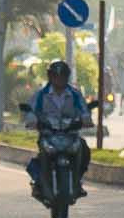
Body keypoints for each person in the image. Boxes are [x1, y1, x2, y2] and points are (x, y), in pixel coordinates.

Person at [23, 58, 95, 198]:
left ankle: (77, 182)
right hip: (49, 134)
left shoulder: (75, 94)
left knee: (84, 149)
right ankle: (39, 183)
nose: (59, 80)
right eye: (56, 76)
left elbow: (84, 109)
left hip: (70, 134)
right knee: (42, 156)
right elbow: (31, 110)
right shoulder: (41, 94)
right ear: (50, 77)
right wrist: (33, 121)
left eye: (62, 76)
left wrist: (86, 119)